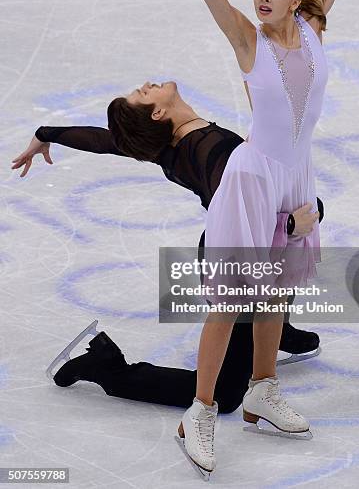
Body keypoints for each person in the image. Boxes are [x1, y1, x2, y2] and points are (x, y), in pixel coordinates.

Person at [140, 0, 359, 475]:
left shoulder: (313, 24)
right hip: (252, 180)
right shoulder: (248, 42)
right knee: (231, 297)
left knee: (279, 289)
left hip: (295, 177)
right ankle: (199, 411)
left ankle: (261, 389)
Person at [11, 82, 323, 414]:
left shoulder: (165, 144)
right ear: (159, 113)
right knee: (226, 394)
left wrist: (46, 133)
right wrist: (287, 226)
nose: (145, 86)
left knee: (289, 253)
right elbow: (238, 213)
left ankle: (279, 332)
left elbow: (106, 141)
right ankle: (107, 367)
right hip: (237, 252)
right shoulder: (209, 148)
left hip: (235, 246)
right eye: (143, 95)